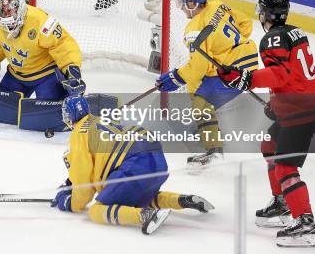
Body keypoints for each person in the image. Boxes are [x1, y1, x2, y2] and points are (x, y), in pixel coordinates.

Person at [218, 0, 315, 248]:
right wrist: (276, 104)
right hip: (314, 100)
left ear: (265, 14)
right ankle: (283, 203)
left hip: (304, 111)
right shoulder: (295, 31)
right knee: (269, 145)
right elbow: (294, 75)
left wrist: (248, 78)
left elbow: (279, 75)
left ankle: (305, 223)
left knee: (285, 167)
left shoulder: (271, 38)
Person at [51, 95, 215, 234]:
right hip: (154, 156)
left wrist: (70, 203)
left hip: (134, 162)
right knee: (137, 197)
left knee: (96, 211)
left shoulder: (79, 134)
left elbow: (83, 181)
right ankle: (182, 200)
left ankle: (144, 216)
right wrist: (70, 184)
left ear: (68, 116)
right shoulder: (100, 120)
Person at [156, 0, 259, 169]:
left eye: (183, 3)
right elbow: (246, 24)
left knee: (200, 100)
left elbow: (199, 66)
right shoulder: (218, 5)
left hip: (232, 71)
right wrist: (227, 48)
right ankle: (203, 126)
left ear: (192, 3)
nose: (181, 8)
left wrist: (176, 77)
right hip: (250, 60)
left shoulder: (194, 29)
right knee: (200, 86)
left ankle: (214, 150)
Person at [0, 0, 84, 101]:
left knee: (46, 108)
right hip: (16, 74)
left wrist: (71, 69)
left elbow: (63, 44)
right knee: (2, 104)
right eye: (4, 24)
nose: (7, 29)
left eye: (11, 24)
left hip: (46, 74)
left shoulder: (42, 22)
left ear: (21, 15)